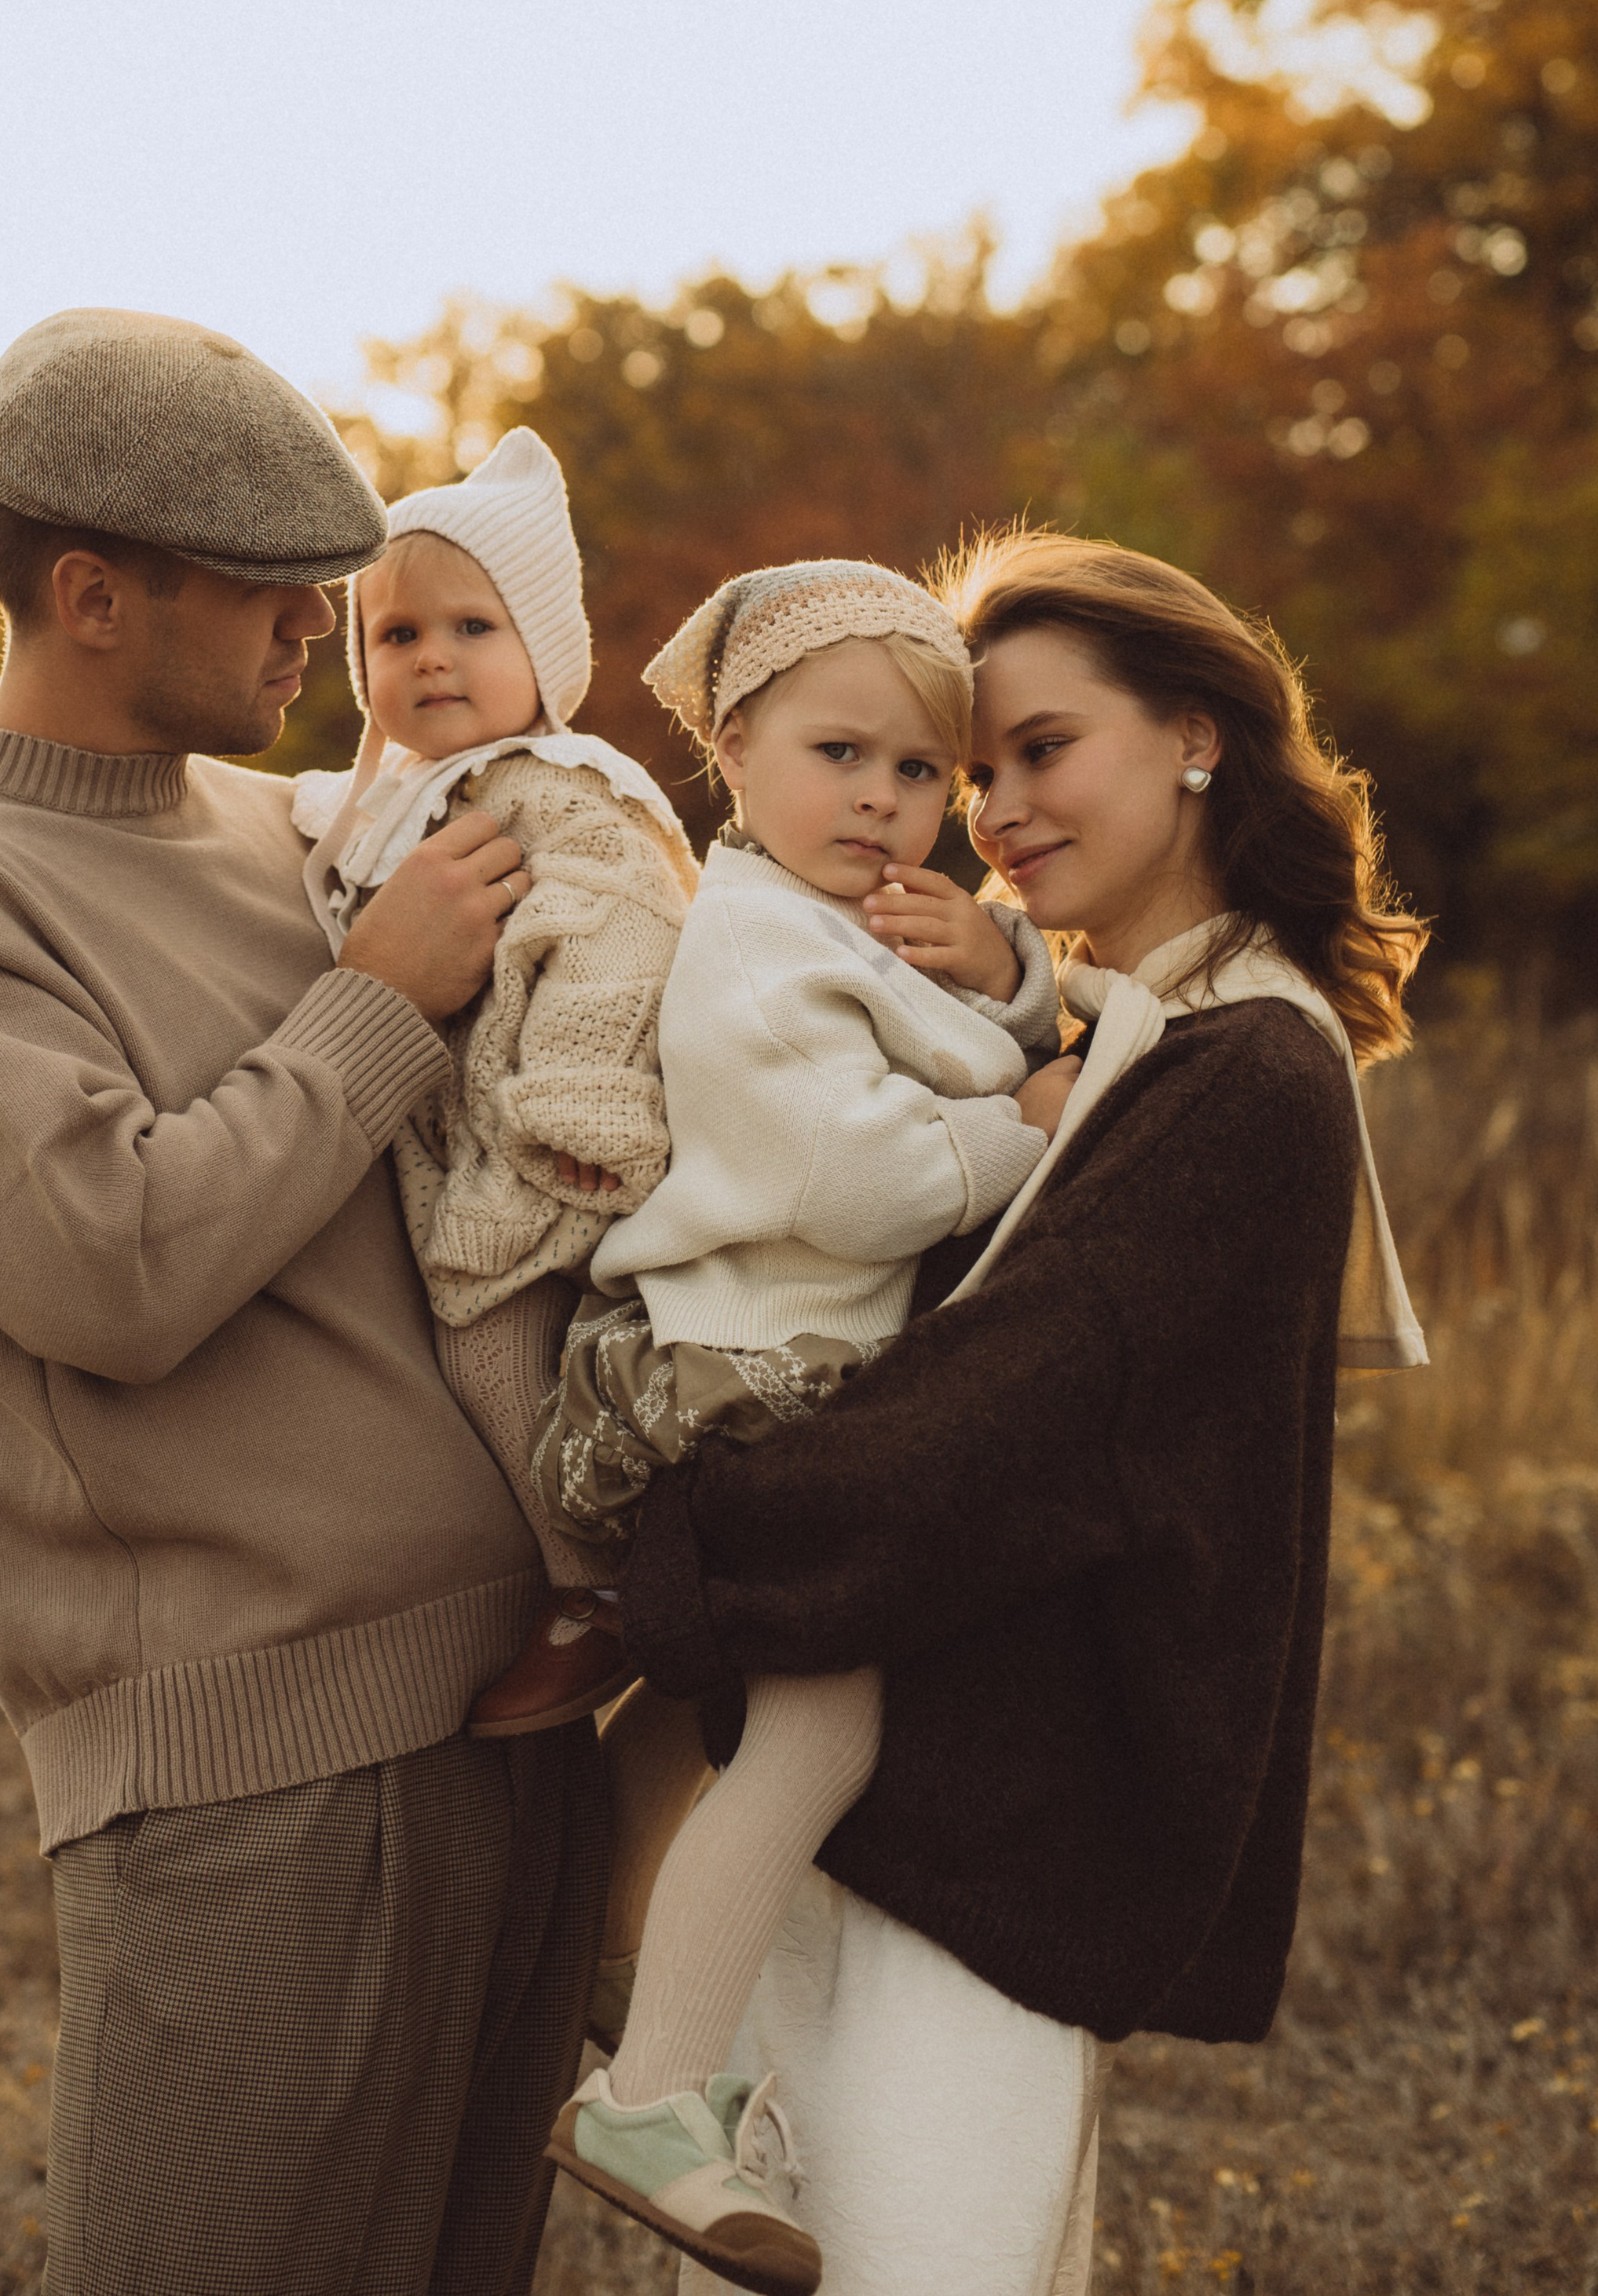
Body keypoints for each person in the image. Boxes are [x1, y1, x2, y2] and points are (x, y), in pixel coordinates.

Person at [0, 309, 604, 2296]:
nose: (325, 634)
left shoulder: (301, 829)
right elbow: (111, 1269)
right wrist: (375, 1001)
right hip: (253, 1779)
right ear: (87, 592)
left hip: (525, 1722)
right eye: (271, 594)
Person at [616, 529, 1428, 2296]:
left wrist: (639, 1564)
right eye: (965, 771)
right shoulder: (1116, 1029)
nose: (986, 810)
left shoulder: (1242, 1072)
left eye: (1034, 749)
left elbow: (982, 1440)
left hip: (991, 1841)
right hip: (872, 1784)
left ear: (1196, 735)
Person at [534, 562, 1064, 2291]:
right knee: (819, 1739)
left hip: (762, 1378)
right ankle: (654, 2090)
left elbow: (948, 1039)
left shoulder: (830, 923)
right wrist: (1033, 1130)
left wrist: (1000, 974)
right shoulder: (754, 941)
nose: (884, 801)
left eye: (921, 774)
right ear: (733, 748)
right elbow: (856, 1174)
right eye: (839, 754)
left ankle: (602, 1953)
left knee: (703, 1721)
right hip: (766, 1388)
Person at [291, 427, 697, 1734]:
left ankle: (603, 1597)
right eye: (396, 636)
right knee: (557, 1355)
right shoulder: (414, 793)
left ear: (544, 655)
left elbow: (622, 938)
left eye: (472, 626)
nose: (432, 659)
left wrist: (579, 1108)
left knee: (491, 1341)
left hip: (561, 1133)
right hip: (469, 1133)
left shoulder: (564, 790)